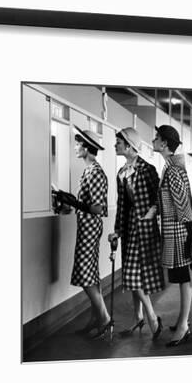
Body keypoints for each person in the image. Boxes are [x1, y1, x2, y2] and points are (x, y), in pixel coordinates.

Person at [52, 126, 111, 338]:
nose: (75, 147)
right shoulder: (89, 171)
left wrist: (74, 201)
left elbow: (97, 208)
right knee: (90, 274)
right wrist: (70, 200)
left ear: (87, 148)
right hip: (87, 226)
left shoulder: (94, 172)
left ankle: (104, 318)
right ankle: (96, 317)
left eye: (78, 144)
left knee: (85, 275)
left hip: (90, 226)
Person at [108, 127, 165, 340]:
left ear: (130, 146)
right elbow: (121, 205)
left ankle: (150, 316)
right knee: (133, 276)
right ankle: (138, 317)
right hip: (131, 228)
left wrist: (150, 215)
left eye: (119, 142)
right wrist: (117, 231)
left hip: (147, 229)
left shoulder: (148, 170)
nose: (116, 145)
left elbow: (158, 200)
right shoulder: (121, 173)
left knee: (135, 276)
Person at [151, 125, 192, 347]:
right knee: (180, 278)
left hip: (178, 231)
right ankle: (181, 321)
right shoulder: (171, 167)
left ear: (165, 144)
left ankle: (184, 325)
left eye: (157, 138)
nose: (154, 140)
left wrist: (189, 234)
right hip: (175, 230)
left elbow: (183, 205)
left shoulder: (173, 170)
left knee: (182, 278)